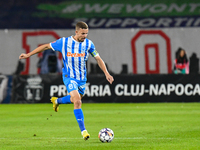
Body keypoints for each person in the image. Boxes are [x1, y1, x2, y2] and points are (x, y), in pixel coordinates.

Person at [19, 21, 114, 140]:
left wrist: (107, 73)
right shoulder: (64, 42)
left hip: (82, 79)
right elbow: (46, 46)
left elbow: (99, 59)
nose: (84, 36)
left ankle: (57, 101)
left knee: (75, 99)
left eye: (86, 34)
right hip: (69, 76)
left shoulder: (89, 44)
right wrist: (28, 55)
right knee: (78, 101)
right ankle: (84, 131)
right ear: (76, 32)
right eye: (82, 34)